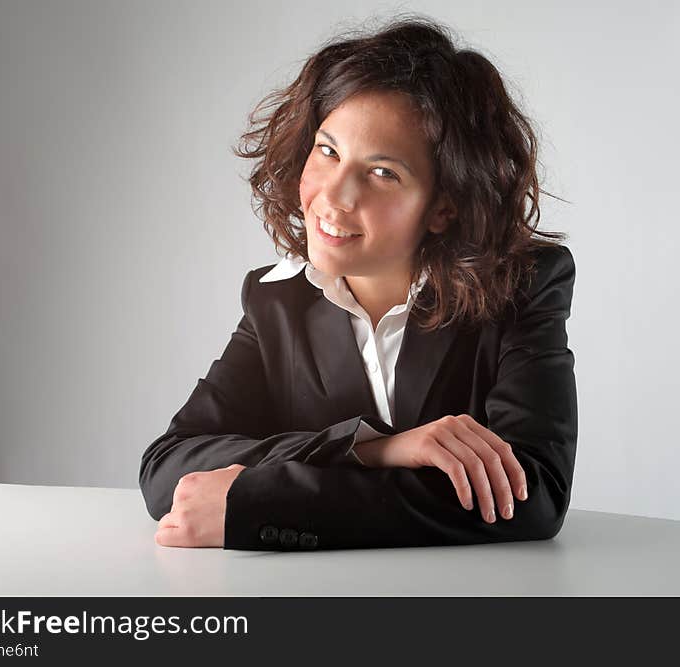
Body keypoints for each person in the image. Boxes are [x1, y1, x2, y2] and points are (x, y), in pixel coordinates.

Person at [139, 16, 577, 551]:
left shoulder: (523, 286)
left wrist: (259, 504)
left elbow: (532, 497)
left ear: (443, 205)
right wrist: (372, 449)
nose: (334, 197)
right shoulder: (276, 299)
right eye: (328, 151)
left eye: (382, 173)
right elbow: (168, 467)